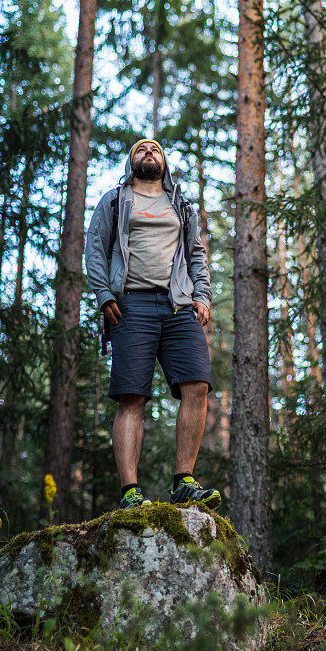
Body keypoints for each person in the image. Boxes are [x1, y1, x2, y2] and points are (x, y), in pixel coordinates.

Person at [85, 138, 221, 511]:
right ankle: (131, 491)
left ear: (164, 161)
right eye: (141, 149)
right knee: (132, 396)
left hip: (179, 307)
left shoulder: (181, 204)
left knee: (197, 385)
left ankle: (184, 482)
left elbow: (196, 253)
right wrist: (104, 295)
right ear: (132, 161)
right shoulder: (114, 200)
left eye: (155, 149)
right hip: (131, 305)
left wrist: (203, 296)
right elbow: (95, 248)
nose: (148, 152)